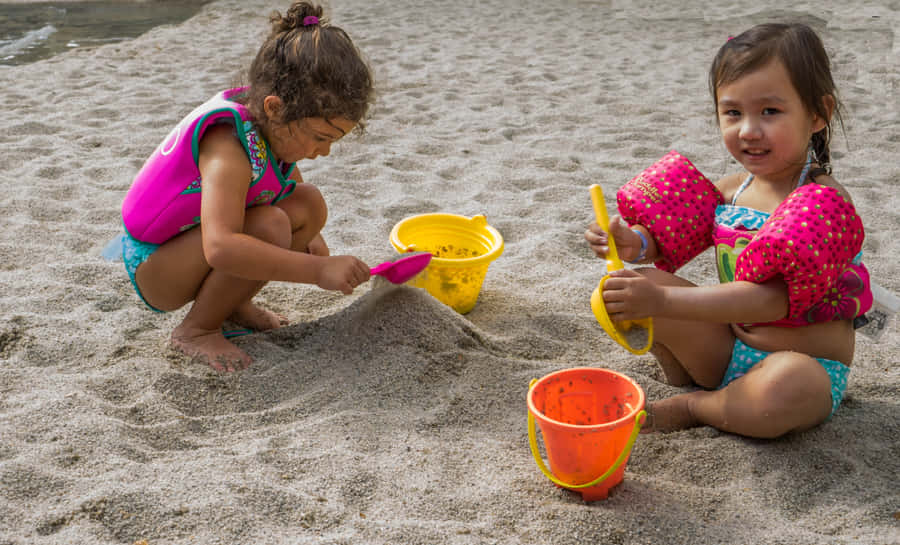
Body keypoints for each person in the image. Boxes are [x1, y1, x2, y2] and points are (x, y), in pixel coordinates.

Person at [584, 23, 873, 438]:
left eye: (770, 112)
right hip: (727, 349)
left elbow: (771, 302)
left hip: (801, 367)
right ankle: (690, 376)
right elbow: (669, 238)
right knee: (629, 286)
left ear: (817, 114)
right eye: (733, 112)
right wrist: (632, 243)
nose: (748, 130)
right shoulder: (733, 191)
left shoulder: (824, 203)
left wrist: (664, 299)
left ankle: (695, 405)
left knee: (786, 386)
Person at [115, 2, 374, 372]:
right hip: (156, 266)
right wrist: (317, 271)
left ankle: (230, 305)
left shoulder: (272, 126)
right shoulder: (227, 149)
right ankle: (197, 329)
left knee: (309, 204)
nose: (325, 152)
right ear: (275, 108)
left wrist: (312, 239)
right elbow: (220, 248)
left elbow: (284, 182)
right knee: (271, 225)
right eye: (320, 137)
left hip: (189, 248)